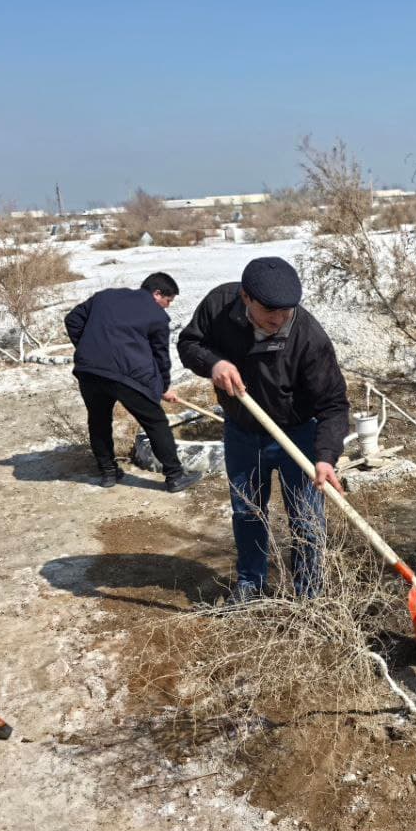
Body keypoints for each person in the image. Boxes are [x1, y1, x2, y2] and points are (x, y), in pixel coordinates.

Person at [177, 256, 348, 598]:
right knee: (247, 512)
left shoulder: (308, 337)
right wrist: (214, 363)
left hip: (296, 434)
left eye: (286, 310)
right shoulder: (219, 306)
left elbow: (334, 404)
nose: (279, 318)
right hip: (242, 432)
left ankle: (309, 594)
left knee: (306, 519)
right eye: (270, 309)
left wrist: (326, 456)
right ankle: (250, 585)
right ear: (245, 297)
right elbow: (189, 344)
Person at [64, 272, 200, 492]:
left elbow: (72, 320)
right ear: (157, 293)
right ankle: (175, 476)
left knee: (98, 421)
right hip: (129, 376)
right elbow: (161, 356)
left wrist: (89, 348)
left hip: (90, 371)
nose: (167, 306)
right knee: (155, 422)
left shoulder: (105, 296)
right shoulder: (157, 316)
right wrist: (162, 386)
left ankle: (108, 472)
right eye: (168, 300)